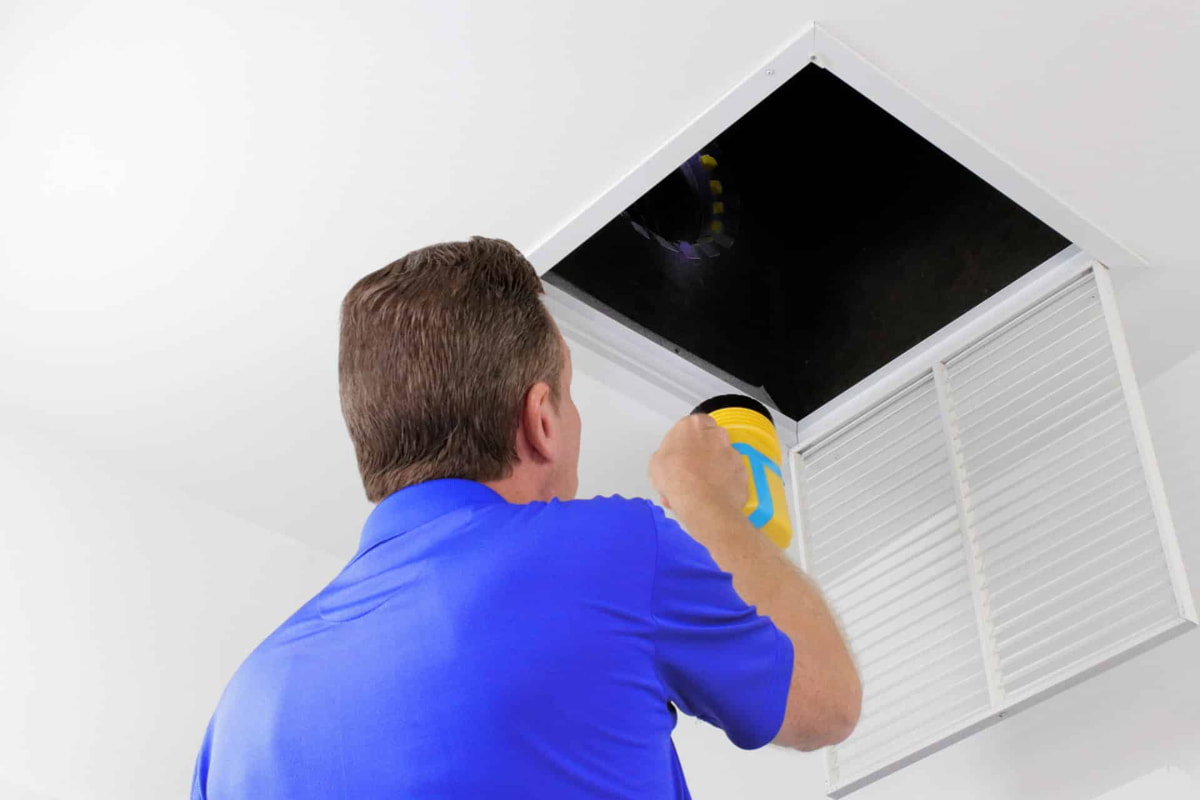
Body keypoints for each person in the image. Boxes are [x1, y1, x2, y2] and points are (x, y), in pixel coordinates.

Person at [191, 237, 860, 799]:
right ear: (541, 421)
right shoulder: (612, 552)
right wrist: (703, 496)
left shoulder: (240, 716)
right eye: (568, 402)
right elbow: (825, 704)